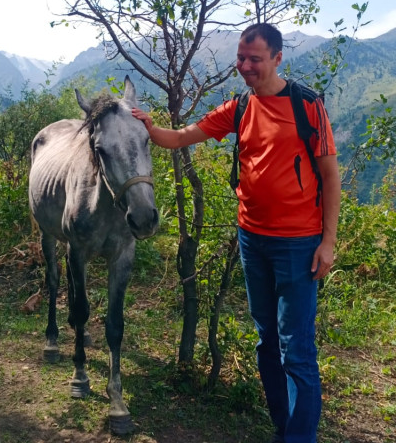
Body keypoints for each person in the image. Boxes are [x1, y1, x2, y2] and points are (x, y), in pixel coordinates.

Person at [132, 22, 340, 443]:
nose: (245, 66)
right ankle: (285, 429)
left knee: (296, 351)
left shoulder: (307, 106)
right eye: (241, 58)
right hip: (252, 239)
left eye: (255, 59)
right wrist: (150, 129)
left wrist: (328, 241)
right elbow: (183, 136)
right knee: (267, 341)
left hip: (299, 243)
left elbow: (330, 176)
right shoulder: (238, 108)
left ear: (277, 58)